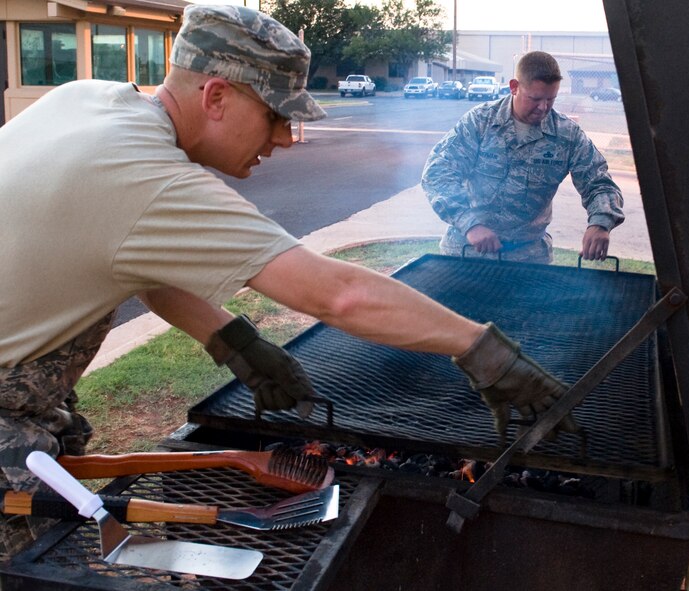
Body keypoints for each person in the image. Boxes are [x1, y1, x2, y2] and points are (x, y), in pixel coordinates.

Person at [0, 6, 578, 557]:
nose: (286, 138)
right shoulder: (147, 177)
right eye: (277, 115)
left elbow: (135, 260)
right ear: (216, 95)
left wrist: (236, 343)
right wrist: (486, 353)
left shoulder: (86, 101)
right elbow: (337, 293)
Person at [422, 51, 625, 264]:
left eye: (551, 99)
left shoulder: (567, 135)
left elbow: (600, 184)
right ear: (514, 87)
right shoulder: (479, 122)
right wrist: (469, 223)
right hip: (467, 253)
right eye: (535, 99)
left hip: (529, 257)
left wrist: (600, 223)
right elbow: (437, 173)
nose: (543, 107)